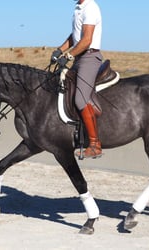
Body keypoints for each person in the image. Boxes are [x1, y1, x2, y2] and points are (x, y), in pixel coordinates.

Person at [50, 0, 103, 159]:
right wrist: (59, 50)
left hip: (89, 57)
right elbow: (75, 36)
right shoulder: (78, 8)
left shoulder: (91, 7)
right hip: (79, 58)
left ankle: (95, 145)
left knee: (80, 99)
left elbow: (86, 40)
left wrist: (69, 55)